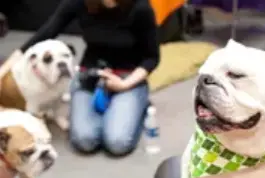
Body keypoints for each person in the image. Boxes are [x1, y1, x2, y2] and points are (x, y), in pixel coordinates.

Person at [0, 0, 160, 156]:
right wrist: (3, 70)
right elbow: (45, 33)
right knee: (85, 140)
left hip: (128, 77)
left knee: (117, 143)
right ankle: (113, 110)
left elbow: (152, 57)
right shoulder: (79, 2)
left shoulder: (140, 7)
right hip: (90, 75)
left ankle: (139, 106)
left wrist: (124, 84)